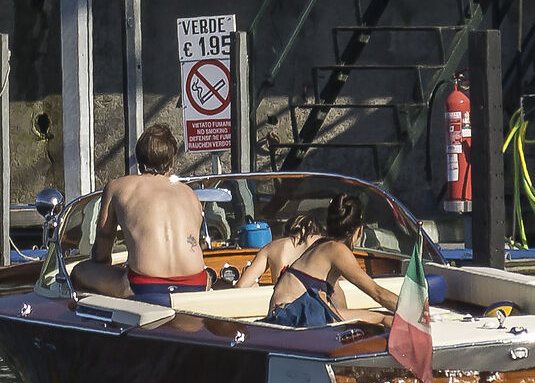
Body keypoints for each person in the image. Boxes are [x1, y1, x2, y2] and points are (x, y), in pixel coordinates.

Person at [72, 123, 213, 305]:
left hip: (145, 286)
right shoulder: (189, 194)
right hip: (197, 283)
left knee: (79, 271)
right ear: (172, 162)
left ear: (138, 160)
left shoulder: (118, 187)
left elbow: (103, 246)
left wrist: (102, 267)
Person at [238, 196, 398, 330]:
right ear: (359, 230)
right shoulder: (337, 250)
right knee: (383, 319)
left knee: (375, 320)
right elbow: (377, 293)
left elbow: (339, 307)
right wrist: (414, 313)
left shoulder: (321, 248)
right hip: (293, 317)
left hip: (284, 317)